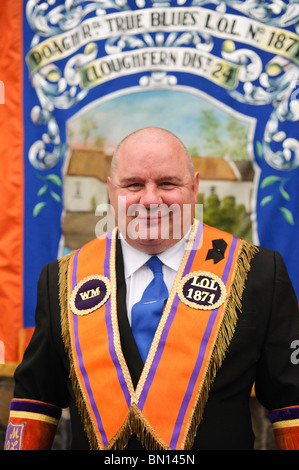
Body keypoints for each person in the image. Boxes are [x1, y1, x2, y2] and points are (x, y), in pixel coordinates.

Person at [4, 127, 299, 451]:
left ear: (194, 187)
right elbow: (35, 403)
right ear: (111, 191)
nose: (150, 199)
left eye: (167, 183)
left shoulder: (259, 273)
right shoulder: (61, 280)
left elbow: (291, 404)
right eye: (133, 184)